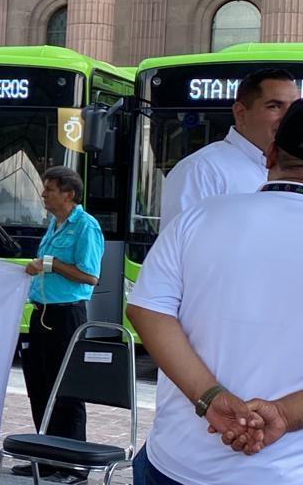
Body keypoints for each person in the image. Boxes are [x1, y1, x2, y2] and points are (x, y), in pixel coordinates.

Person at [127, 102, 303, 484]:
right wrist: (286, 414)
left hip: (178, 461)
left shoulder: (199, 217)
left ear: (270, 154)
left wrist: (209, 398)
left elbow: (147, 310)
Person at [16, 167, 104, 484]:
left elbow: (91, 276)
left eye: (49, 189)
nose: (43, 195)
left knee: (66, 390)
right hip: (42, 313)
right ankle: (46, 456)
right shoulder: (54, 224)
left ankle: (73, 465)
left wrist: (52, 265)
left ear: (69, 194)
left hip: (66, 315)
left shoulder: (86, 227)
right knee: (40, 388)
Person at [159, 68, 298, 230]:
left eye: (294, 108)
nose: (289, 118)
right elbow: (179, 248)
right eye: (274, 106)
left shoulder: (290, 167)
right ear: (240, 113)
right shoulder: (200, 171)